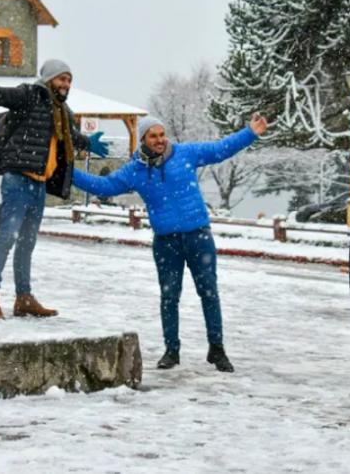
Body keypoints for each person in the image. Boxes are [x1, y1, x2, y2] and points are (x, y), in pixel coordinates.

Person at [71, 114, 267, 372]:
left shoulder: (185, 154)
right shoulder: (135, 171)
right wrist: (66, 170)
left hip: (198, 235)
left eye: (162, 134)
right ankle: (172, 350)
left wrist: (250, 133)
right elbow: (104, 185)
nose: (160, 140)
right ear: (143, 139)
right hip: (166, 242)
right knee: (169, 296)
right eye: (153, 136)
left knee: (209, 292)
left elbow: (220, 150)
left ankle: (217, 349)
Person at [0, 54, 110, 319]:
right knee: (7, 237)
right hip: (18, 180)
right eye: (63, 78)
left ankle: (24, 298)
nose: (67, 84)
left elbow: (71, 137)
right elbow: (0, 95)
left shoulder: (62, 111)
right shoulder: (29, 95)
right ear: (50, 79)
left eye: (70, 80)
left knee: (27, 243)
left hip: (39, 184)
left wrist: (89, 143)